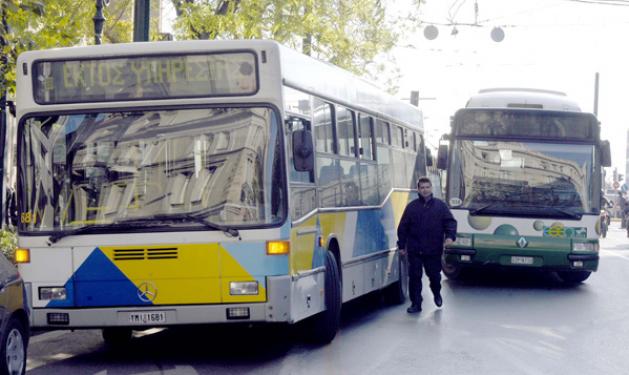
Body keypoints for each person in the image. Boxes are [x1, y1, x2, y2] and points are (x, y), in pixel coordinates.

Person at [397, 176, 457, 314]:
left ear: (431, 188)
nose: (425, 190)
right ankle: (416, 303)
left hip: (433, 249)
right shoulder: (411, 207)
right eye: (422, 187)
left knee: (434, 276)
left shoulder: (440, 206)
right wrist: (401, 246)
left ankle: (437, 293)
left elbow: (450, 222)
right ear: (418, 189)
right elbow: (403, 227)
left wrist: (449, 237)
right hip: (415, 250)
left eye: (427, 187)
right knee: (414, 277)